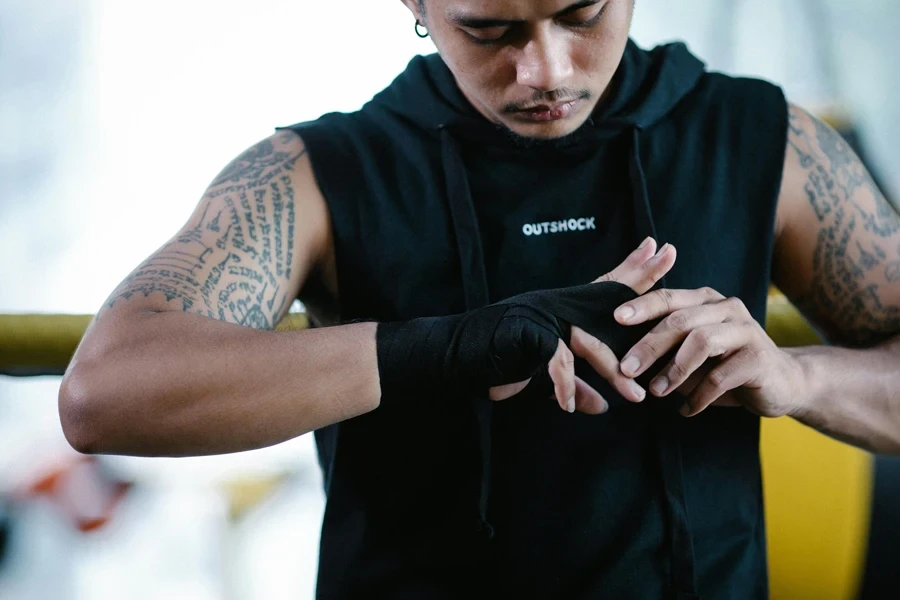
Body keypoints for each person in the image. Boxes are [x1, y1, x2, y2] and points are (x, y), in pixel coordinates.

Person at [59, 0, 900, 597]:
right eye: (489, 29)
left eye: (582, 12)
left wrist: (801, 379)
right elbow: (104, 393)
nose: (548, 70)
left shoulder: (764, 138)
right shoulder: (319, 172)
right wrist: (451, 346)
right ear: (416, 3)